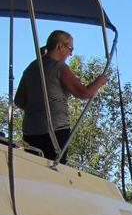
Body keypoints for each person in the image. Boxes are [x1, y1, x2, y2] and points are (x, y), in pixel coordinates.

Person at [14, 30, 107, 163]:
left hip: (30, 131)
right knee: (53, 167)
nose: (70, 54)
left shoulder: (32, 67)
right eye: (70, 49)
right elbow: (84, 93)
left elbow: (19, 100)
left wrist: (36, 108)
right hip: (54, 130)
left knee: (34, 167)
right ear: (60, 46)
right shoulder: (59, 67)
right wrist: (100, 81)